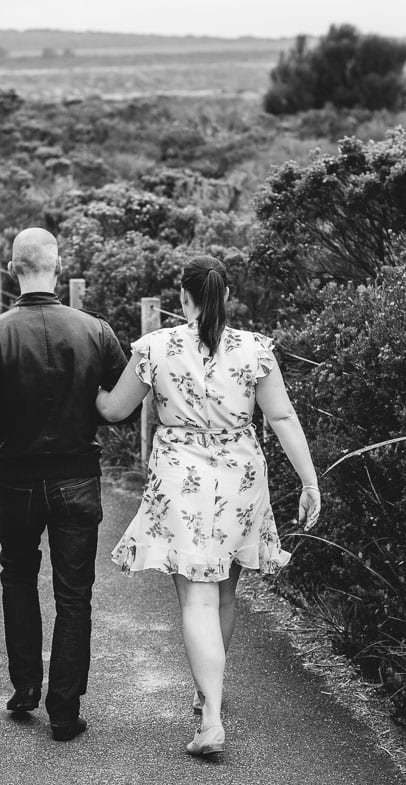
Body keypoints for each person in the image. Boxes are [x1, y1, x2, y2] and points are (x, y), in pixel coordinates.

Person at [96, 254, 320, 757]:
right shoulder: (254, 349)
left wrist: (89, 383)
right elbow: (281, 416)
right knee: (222, 594)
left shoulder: (155, 347)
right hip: (242, 473)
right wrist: (310, 481)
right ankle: (206, 695)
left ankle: (213, 718)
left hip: (181, 475)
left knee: (195, 598)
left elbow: (113, 409)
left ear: (184, 297)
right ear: (225, 295)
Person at [0, 227, 127, 742]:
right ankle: (65, 711)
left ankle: (25, 687)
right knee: (75, 595)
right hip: (77, 478)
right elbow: (122, 401)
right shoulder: (95, 331)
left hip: (17, 483)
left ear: (13, 269)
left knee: (18, 578)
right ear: (58, 266)